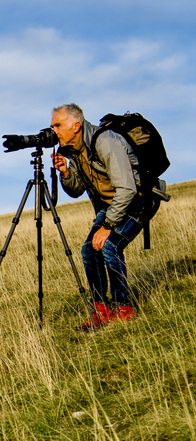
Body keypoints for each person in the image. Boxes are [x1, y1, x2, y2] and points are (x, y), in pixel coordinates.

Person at [50, 103, 143, 330]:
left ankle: (124, 308)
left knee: (109, 246)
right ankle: (101, 311)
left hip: (135, 201)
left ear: (76, 126)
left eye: (58, 125)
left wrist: (108, 225)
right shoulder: (76, 150)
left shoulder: (105, 142)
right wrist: (65, 172)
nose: (54, 131)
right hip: (110, 205)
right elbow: (76, 190)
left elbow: (128, 189)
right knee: (89, 251)